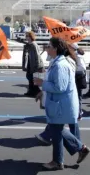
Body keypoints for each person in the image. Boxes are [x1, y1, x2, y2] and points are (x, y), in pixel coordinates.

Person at [34, 37, 89, 170]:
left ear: (55, 49)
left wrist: (43, 84)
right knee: (56, 130)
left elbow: (60, 87)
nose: (46, 48)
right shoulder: (56, 62)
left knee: (56, 130)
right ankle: (68, 155)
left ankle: (66, 156)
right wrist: (43, 91)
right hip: (58, 103)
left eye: (48, 46)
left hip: (61, 105)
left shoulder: (61, 65)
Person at [22, 31, 44, 97]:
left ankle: (36, 92)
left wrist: (37, 65)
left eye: (28, 36)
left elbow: (37, 55)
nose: (27, 37)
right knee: (29, 77)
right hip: (30, 63)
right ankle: (31, 91)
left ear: (31, 37)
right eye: (26, 36)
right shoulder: (28, 45)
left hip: (34, 64)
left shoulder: (34, 44)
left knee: (33, 78)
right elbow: (26, 55)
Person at [71, 44, 87, 120]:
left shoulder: (77, 56)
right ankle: (77, 112)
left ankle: (78, 113)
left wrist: (73, 69)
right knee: (76, 96)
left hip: (77, 77)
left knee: (77, 96)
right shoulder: (72, 54)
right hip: (76, 77)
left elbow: (82, 68)